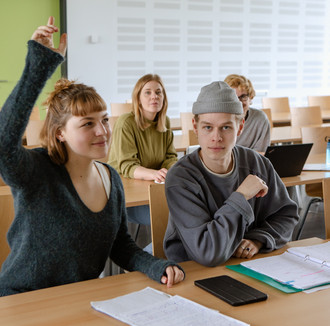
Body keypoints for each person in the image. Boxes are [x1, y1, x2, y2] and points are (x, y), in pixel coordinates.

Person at [0, 17, 184, 297]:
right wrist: (38, 67)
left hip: (79, 299)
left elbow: (120, 245)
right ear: (60, 132)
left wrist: (156, 266)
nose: (103, 131)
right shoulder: (37, 170)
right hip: (23, 298)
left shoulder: (110, 178)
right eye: (87, 123)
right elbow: (4, 144)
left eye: (105, 120)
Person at [163, 81, 299, 266]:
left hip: (249, 266)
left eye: (226, 127)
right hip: (193, 271)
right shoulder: (181, 177)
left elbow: (286, 215)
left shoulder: (256, 163)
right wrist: (241, 196)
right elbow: (208, 253)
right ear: (195, 127)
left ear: (240, 127)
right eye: (207, 127)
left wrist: (258, 240)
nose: (216, 137)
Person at [108, 74, 178, 227]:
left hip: (152, 188)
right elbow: (128, 166)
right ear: (138, 98)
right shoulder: (126, 122)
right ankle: (152, 251)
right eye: (148, 92)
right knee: (171, 221)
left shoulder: (164, 121)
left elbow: (171, 156)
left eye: (158, 92)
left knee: (188, 212)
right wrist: (154, 174)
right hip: (127, 195)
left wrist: (169, 170)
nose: (154, 96)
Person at [224, 74, 270, 152]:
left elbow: (261, 154)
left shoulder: (260, 119)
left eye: (243, 97)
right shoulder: (219, 120)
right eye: (233, 98)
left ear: (250, 98)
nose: (239, 102)